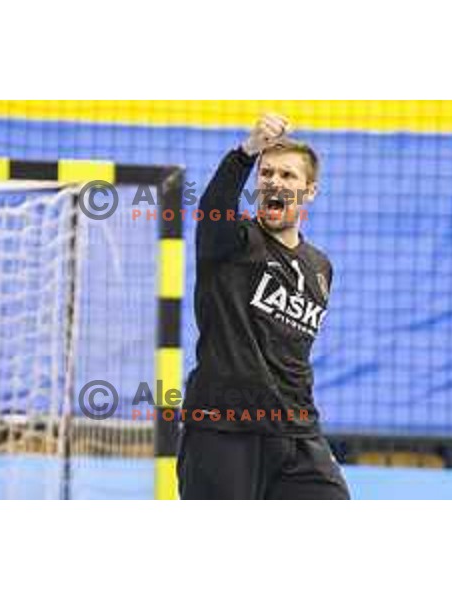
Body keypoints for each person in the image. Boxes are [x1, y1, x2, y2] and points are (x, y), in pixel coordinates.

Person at [177, 113, 350, 499]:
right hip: (223, 431)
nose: (274, 181)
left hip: (297, 435)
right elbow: (213, 206)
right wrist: (245, 153)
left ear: (310, 191)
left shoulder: (320, 267)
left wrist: (313, 439)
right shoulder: (232, 240)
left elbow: (290, 357)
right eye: (266, 173)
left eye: (288, 176)